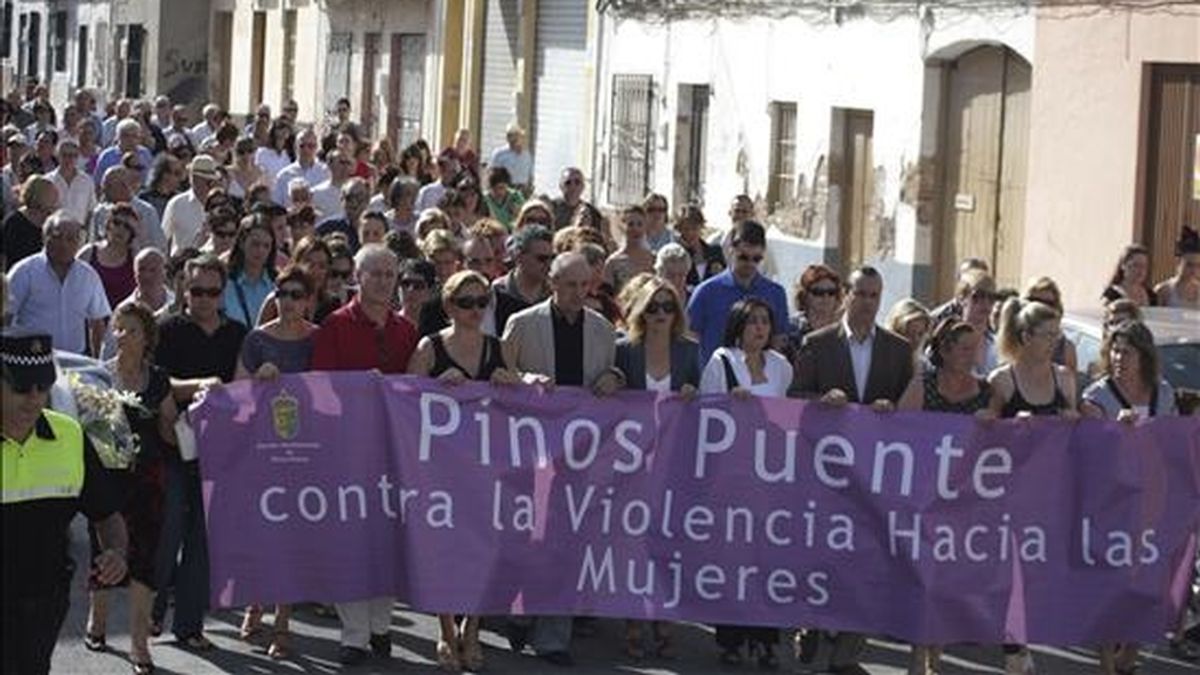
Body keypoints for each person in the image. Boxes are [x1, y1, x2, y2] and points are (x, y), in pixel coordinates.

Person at [500, 252, 622, 667]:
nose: (577, 292)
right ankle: (520, 611)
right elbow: (498, 377)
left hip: (581, 456)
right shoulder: (523, 323)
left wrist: (615, 378)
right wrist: (522, 380)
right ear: (552, 283)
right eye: (569, 284)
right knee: (527, 539)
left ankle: (553, 636)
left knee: (567, 543)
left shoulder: (604, 330)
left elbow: (614, 378)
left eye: (584, 285)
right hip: (530, 451)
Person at [789, 266, 912, 675]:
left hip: (875, 478)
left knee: (865, 563)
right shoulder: (817, 344)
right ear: (846, 294)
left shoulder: (897, 350)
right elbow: (794, 401)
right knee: (823, 558)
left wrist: (892, 412)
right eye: (860, 294)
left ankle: (846, 655)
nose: (866, 303)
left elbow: (913, 413)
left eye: (874, 296)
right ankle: (811, 622)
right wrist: (822, 400)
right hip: (826, 476)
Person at [311, 244, 417, 666]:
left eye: (390, 274)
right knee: (351, 541)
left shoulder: (406, 330)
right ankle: (354, 633)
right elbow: (320, 387)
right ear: (357, 276)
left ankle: (380, 626)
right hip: (348, 450)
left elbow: (416, 388)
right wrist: (357, 387)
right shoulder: (335, 325)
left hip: (393, 451)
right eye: (375, 273)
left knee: (388, 538)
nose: (384, 281)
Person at [407, 270, 518, 671]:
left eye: (482, 302)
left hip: (489, 468)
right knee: (444, 550)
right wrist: (435, 386)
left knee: (484, 550)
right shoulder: (430, 347)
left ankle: (472, 629)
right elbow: (404, 403)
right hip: (441, 468)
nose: (475, 310)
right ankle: (445, 630)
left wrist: (513, 381)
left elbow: (518, 408)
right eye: (466, 302)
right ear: (450, 305)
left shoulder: (498, 347)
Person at [1, 329, 129, 675]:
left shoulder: (69, 435)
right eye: (20, 388)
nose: (33, 398)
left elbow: (107, 514)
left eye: (42, 387)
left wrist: (116, 552)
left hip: (43, 603)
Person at [151, 253, 248, 648]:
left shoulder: (238, 333)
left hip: (219, 451)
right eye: (196, 290)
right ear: (183, 290)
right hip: (173, 444)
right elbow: (157, 380)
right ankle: (151, 613)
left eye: (212, 291)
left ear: (222, 293)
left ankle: (189, 626)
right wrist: (198, 385)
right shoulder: (167, 329)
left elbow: (243, 386)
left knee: (202, 540)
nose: (204, 298)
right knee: (167, 531)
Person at [83, 303, 178, 675]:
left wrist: (190, 427)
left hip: (149, 481)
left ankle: (140, 644)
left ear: (147, 338)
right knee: (104, 551)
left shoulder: (158, 380)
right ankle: (97, 621)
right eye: (118, 329)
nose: (122, 336)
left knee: (145, 561)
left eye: (131, 330)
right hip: (106, 479)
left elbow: (170, 428)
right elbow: (89, 431)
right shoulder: (98, 377)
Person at [698, 297, 791, 669]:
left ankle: (766, 639)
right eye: (752, 321)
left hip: (769, 477)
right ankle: (732, 638)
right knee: (733, 559)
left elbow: (788, 416)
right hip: (731, 477)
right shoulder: (722, 361)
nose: (759, 328)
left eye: (765, 321)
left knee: (766, 560)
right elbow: (704, 417)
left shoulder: (781, 367)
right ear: (738, 325)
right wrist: (727, 405)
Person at [897, 318, 994, 675]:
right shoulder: (923, 385)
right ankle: (916, 659)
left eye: (976, 348)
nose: (972, 355)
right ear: (946, 350)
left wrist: (991, 425)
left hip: (965, 504)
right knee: (923, 581)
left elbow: (1001, 447)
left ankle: (935, 656)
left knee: (948, 583)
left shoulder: (985, 392)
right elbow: (897, 436)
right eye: (965, 348)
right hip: (923, 499)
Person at [986, 297, 1078, 674]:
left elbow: (1078, 438)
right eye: (1047, 334)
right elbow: (983, 436)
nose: (1054, 341)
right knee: (1012, 574)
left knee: (1040, 574)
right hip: (1009, 494)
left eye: (1058, 334)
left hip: (1051, 491)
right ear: (1025, 336)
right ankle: (1014, 649)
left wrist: (1076, 420)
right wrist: (1010, 428)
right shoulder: (1002, 380)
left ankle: (1020, 644)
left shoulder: (1065, 378)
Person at [233, 266, 316, 659]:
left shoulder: (320, 339)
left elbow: (335, 393)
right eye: (283, 293)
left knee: (294, 536)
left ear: (308, 300)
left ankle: (282, 621)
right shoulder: (256, 339)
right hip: (263, 449)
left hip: (308, 452)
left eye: (298, 294)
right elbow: (235, 395)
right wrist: (257, 382)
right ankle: (255, 599)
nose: (289, 301)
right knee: (262, 531)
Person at [611, 277, 697, 659]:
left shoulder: (689, 351)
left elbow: (707, 402)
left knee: (666, 540)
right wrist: (610, 380)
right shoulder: (625, 350)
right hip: (633, 461)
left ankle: (663, 616)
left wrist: (695, 395)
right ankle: (632, 618)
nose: (660, 314)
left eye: (667, 307)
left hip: (674, 460)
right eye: (653, 307)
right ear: (641, 312)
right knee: (633, 542)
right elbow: (613, 390)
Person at [7, 212, 111, 356]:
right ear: (44, 238)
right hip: (31, 359)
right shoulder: (24, 272)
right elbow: (6, 316)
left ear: (79, 242)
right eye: (57, 237)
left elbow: (97, 323)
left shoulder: (88, 276)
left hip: (75, 361)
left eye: (70, 239)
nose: (63, 244)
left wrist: (97, 361)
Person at [687, 220, 788, 367]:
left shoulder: (775, 293)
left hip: (758, 379)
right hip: (716, 380)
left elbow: (778, 340)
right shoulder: (706, 292)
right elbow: (690, 339)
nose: (750, 264)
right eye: (743, 257)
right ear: (730, 250)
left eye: (756, 259)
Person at [77, 203, 138, 309]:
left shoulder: (135, 258)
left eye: (127, 227)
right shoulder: (88, 253)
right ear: (108, 224)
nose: (121, 229)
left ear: (132, 234)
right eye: (117, 223)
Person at [784, 264, 843, 362]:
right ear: (805, 296)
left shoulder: (843, 332)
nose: (826, 298)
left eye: (831, 292)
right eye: (818, 292)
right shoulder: (792, 329)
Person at [162, 155, 220, 254]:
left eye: (211, 181)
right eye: (207, 180)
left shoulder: (220, 204)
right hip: (180, 265)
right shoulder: (177, 204)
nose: (210, 184)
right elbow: (164, 238)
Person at [2, 174, 59, 270]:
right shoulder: (13, 222)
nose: (56, 199)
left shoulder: (51, 221)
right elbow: (4, 255)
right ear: (39, 195)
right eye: (51, 194)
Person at [1023, 276, 1078, 373]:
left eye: (1047, 303)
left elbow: (1070, 383)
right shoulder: (1015, 339)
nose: (1041, 307)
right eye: (1034, 301)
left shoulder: (1065, 348)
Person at [493, 224, 554, 305]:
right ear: (519, 257)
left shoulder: (555, 292)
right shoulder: (497, 291)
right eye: (542, 259)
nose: (549, 264)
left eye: (552, 258)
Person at [273, 128, 330, 208]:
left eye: (310, 146)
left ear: (317, 148)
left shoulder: (326, 173)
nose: (306, 150)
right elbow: (276, 205)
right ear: (295, 147)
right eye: (302, 146)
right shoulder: (283, 175)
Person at [604, 204, 656, 293]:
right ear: (622, 227)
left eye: (640, 224)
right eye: (630, 224)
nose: (635, 229)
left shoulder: (654, 259)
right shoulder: (613, 262)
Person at [47, 139, 97, 223]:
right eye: (64, 155)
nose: (68, 159)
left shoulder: (87, 181)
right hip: (55, 231)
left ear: (77, 157)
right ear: (58, 156)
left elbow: (91, 209)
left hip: (79, 231)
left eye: (72, 155)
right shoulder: (48, 180)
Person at [1155, 225, 1200, 309]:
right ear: (1179, 262)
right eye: (1189, 265)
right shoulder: (1164, 290)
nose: (1194, 270)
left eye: (1198, 266)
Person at [885, 298, 931, 370]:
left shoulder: (925, 369)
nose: (916, 340)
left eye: (920, 334)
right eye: (909, 334)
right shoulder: (881, 362)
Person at [489, 122, 533, 195]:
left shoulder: (526, 155)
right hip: (505, 189)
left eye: (517, 136)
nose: (515, 139)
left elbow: (529, 174)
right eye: (511, 135)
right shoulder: (500, 154)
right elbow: (493, 174)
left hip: (522, 189)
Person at [483, 165, 525, 230]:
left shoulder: (516, 196)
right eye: (495, 189)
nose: (499, 192)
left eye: (502, 187)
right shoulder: (484, 199)